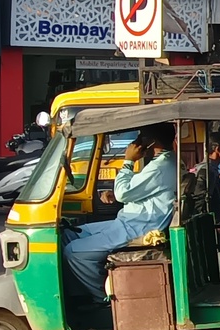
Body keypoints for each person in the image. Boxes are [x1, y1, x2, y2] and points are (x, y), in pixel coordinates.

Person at [64, 125, 178, 300]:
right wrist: (119, 195)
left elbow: (123, 192)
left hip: (137, 228)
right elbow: (136, 191)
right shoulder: (163, 162)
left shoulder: (161, 166)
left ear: (149, 142)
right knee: (69, 234)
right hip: (130, 221)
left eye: (141, 138)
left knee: (73, 252)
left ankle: (102, 299)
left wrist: (128, 161)